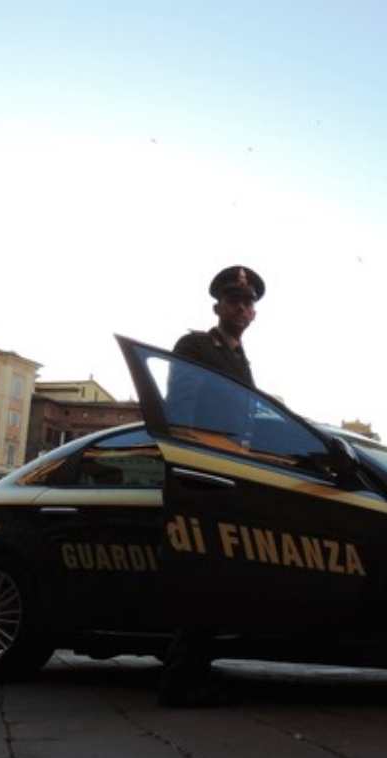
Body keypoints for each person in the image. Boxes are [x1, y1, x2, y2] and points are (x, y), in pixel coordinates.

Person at [157, 265, 265, 708]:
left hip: (229, 475)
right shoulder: (196, 346)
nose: (242, 308)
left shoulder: (240, 358)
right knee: (198, 577)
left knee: (217, 577)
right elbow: (178, 408)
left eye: (248, 302)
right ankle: (179, 682)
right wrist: (190, 465)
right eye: (234, 300)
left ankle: (195, 671)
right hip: (199, 475)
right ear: (217, 305)